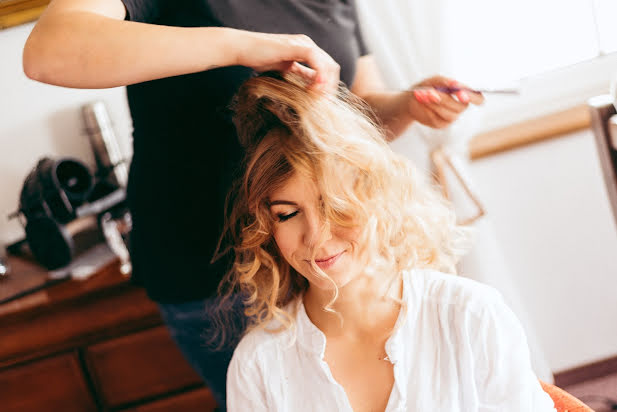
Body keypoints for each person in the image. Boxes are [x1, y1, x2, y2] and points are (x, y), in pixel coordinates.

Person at [22, 0, 483, 408]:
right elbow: (49, 51)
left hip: (326, 258)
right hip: (215, 276)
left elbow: (352, 110)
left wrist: (408, 105)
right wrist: (244, 47)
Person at [223, 72, 556, 411]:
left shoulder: (470, 315)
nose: (317, 236)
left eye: (333, 205)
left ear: (375, 193)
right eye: (287, 214)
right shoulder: (257, 366)